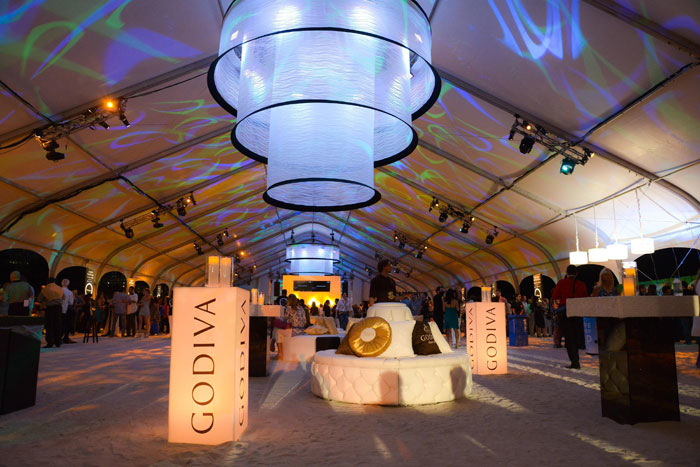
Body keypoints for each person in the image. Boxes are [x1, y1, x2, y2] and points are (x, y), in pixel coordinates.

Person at [552, 265, 589, 369]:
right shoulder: (581, 284)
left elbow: (555, 296)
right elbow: (585, 297)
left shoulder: (561, 283)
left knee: (569, 337)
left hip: (566, 312)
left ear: (567, 273)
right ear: (577, 273)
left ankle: (574, 361)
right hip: (578, 312)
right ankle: (577, 358)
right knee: (577, 335)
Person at [36, 277, 64, 348]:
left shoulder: (46, 289)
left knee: (49, 325)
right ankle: (58, 341)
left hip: (50, 308)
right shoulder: (59, 288)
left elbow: (39, 299)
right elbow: (63, 298)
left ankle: (50, 342)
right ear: (54, 281)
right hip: (58, 308)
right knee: (58, 324)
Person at [61, 279, 76, 344]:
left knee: (59, 324)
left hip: (58, 309)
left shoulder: (59, 290)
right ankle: (66, 337)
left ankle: (58, 337)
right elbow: (71, 302)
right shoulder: (69, 292)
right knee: (66, 324)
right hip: (66, 310)